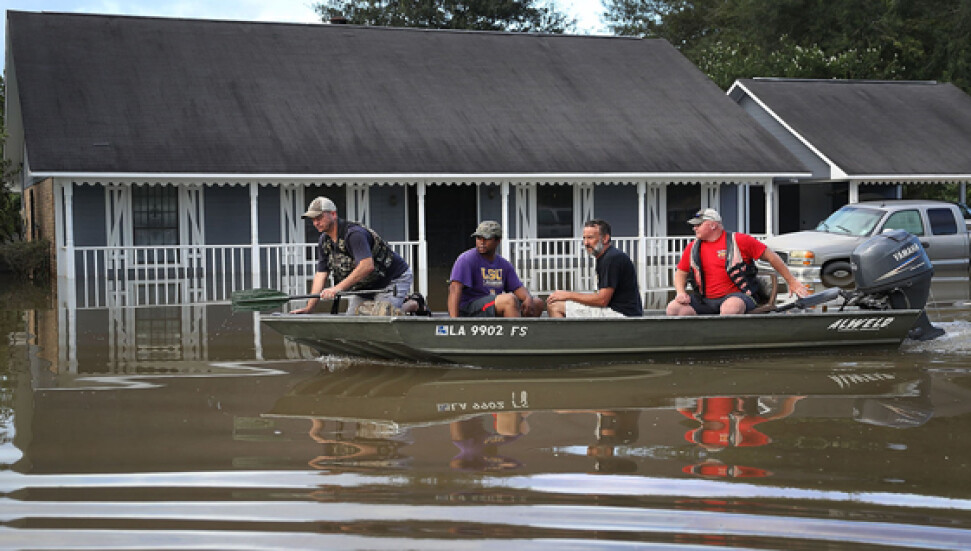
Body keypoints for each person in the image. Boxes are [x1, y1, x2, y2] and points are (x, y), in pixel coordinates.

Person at [666, 208, 809, 316]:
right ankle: (693, 340)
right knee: (673, 308)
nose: (694, 228)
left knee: (730, 308)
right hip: (705, 300)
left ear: (713, 225)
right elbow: (681, 273)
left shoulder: (740, 240)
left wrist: (792, 281)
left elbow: (772, 257)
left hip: (740, 296)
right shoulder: (692, 247)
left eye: (698, 225)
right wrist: (680, 292)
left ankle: (725, 342)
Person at [291, 196, 413, 314]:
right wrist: (309, 308)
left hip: (392, 279)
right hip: (364, 286)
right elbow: (321, 275)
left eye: (319, 217)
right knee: (353, 321)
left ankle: (413, 304)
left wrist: (337, 288)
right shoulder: (324, 241)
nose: (315, 223)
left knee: (382, 316)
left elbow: (366, 266)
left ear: (333, 214)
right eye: (313, 219)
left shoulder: (354, 234)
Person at [547, 219, 643, 318]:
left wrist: (567, 295)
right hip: (620, 312)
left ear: (605, 238)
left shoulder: (611, 259)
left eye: (590, 238)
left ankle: (563, 334)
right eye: (584, 238)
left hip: (621, 314)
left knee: (555, 306)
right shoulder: (607, 256)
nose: (586, 243)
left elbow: (602, 300)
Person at [448, 220, 545, 318]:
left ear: (498, 240)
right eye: (478, 238)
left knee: (536, 303)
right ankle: (514, 332)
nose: (482, 242)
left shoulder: (504, 264)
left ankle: (526, 332)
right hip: (470, 308)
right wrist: (454, 322)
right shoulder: (466, 259)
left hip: (493, 305)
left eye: (486, 238)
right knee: (509, 300)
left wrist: (527, 298)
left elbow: (517, 287)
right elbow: (454, 289)